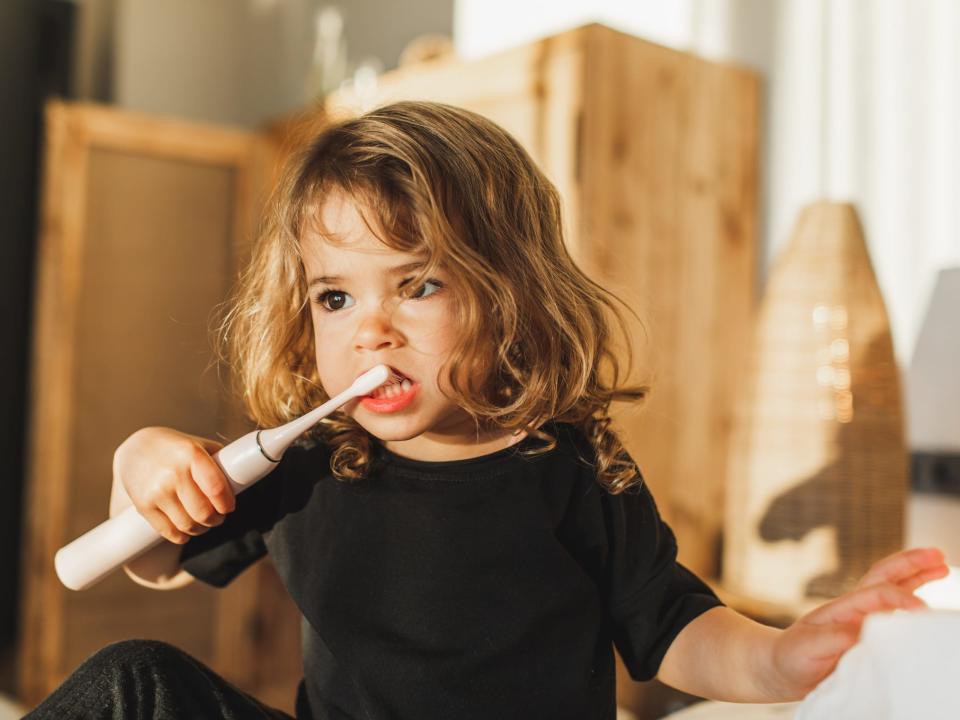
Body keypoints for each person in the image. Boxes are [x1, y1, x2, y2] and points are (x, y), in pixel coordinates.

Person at [26, 101, 948, 720]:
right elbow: (157, 558)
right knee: (130, 681)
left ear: (508, 297)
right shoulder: (309, 461)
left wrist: (780, 662)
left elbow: (673, 628)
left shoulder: (568, 466)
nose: (370, 331)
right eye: (335, 298)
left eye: (416, 286)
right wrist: (139, 463)